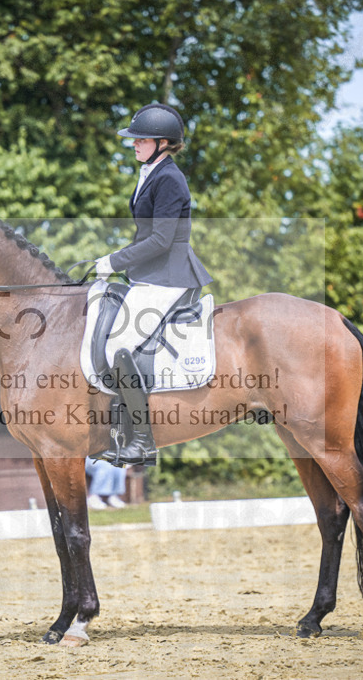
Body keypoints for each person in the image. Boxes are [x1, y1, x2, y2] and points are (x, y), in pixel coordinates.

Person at [92, 103, 214, 467]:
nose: (134, 144)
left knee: (119, 345)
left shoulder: (170, 179)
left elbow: (161, 240)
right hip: (150, 274)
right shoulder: (151, 172)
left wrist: (114, 261)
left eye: (141, 139)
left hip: (170, 276)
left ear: (162, 143)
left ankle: (143, 442)